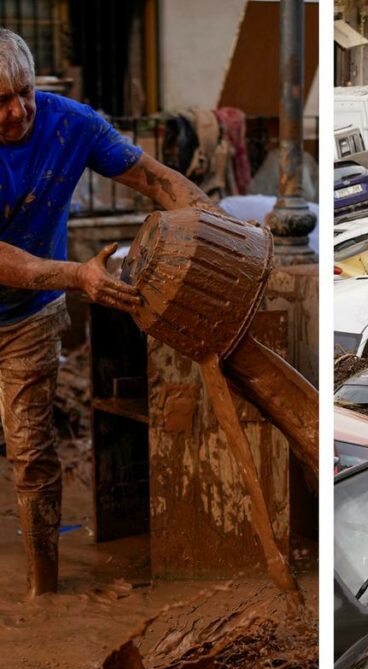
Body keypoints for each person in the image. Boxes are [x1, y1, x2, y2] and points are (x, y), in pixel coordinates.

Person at [0, 29, 225, 597]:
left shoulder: (69, 123)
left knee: (31, 451)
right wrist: (78, 275)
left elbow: (158, 181)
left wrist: (223, 232)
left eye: (23, 92)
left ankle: (41, 592)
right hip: (36, 280)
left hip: (28, 316)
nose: (16, 111)